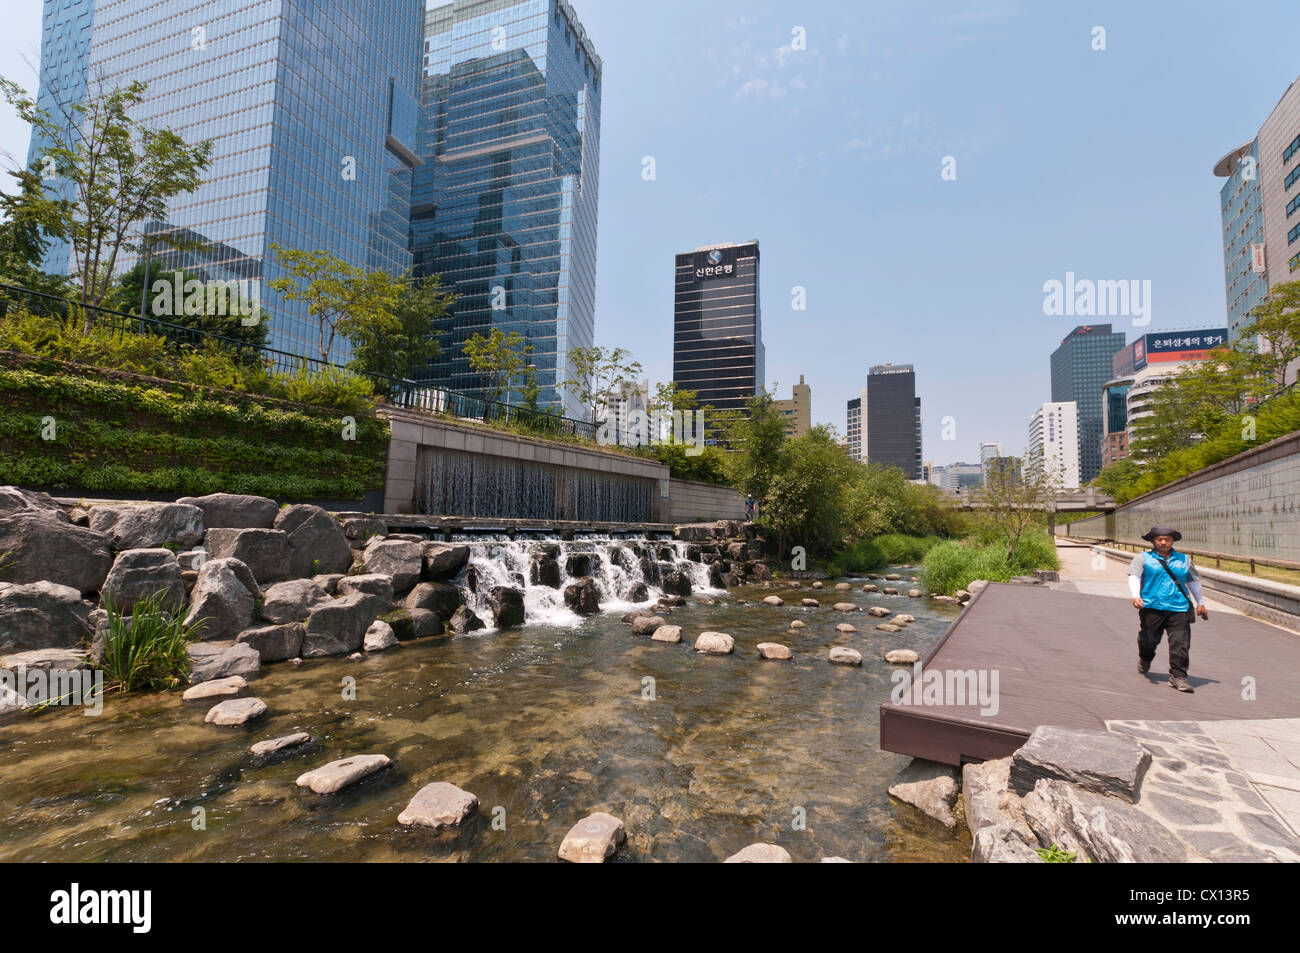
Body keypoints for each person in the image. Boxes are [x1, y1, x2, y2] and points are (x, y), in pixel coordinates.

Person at [1127, 525, 1208, 693]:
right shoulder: (1142, 558)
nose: (1163, 542)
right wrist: (1136, 596)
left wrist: (1200, 602)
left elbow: (1193, 581)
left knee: (1180, 643)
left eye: (1167, 539)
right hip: (1152, 606)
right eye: (1159, 539)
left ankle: (1178, 676)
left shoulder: (1185, 560)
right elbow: (1134, 577)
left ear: (1172, 541)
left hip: (1179, 607)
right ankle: (1145, 657)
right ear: (1152, 541)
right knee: (1149, 640)